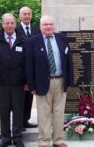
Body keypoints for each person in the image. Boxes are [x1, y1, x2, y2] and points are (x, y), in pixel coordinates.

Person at [26, 15, 74, 147]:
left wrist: (70, 81)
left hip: (60, 81)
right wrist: (31, 85)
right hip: (42, 82)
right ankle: (44, 140)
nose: (48, 27)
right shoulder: (32, 41)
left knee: (59, 113)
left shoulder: (62, 39)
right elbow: (29, 65)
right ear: (40, 26)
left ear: (54, 25)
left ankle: (58, 140)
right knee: (44, 113)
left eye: (50, 24)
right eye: (45, 25)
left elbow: (69, 61)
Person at [0, 13, 26, 147]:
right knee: (4, 111)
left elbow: (27, 62)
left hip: (19, 83)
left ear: (15, 24)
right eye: (6, 23)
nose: (9, 25)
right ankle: (6, 137)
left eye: (12, 23)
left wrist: (27, 81)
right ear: (2, 25)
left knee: (18, 111)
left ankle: (17, 137)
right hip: (1, 83)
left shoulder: (23, 40)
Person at [15, 6, 39, 129]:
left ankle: (26, 120)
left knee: (29, 97)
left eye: (29, 14)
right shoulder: (15, 30)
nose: (27, 16)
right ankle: (18, 122)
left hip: (33, 70)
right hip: (20, 70)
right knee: (20, 99)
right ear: (20, 16)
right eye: (24, 14)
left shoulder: (36, 30)